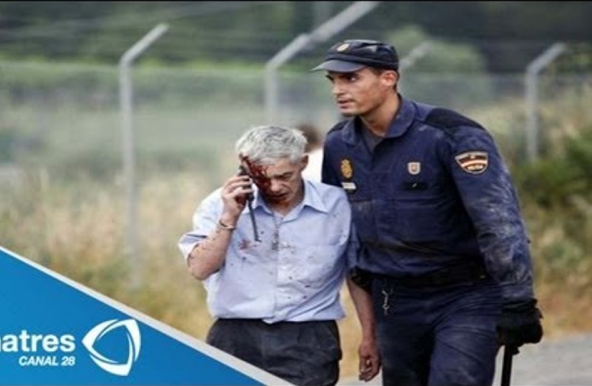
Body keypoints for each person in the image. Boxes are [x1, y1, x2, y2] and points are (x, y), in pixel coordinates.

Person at [311, 39, 543, 386]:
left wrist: (517, 300)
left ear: (389, 78)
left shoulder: (451, 134)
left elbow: (497, 220)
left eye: (351, 78)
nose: (338, 90)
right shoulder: (339, 144)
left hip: (466, 294)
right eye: (333, 80)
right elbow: (348, 240)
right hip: (395, 300)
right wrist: (369, 331)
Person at [178, 125, 380, 386]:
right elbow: (199, 269)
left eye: (285, 176)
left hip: (308, 338)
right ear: (245, 168)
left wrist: (370, 336)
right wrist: (229, 218)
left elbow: (357, 275)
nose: (274, 187)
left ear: (303, 163)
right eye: (263, 178)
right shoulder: (218, 205)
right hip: (236, 334)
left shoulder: (337, 206)